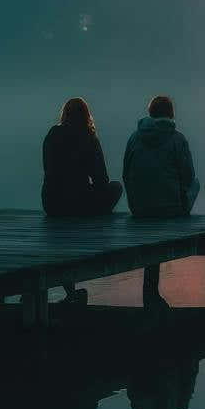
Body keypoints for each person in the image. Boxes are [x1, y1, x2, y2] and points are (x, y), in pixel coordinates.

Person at [42, 97, 123, 302]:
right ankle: (98, 216)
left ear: (64, 115)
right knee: (116, 187)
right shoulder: (89, 138)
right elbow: (102, 181)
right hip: (77, 204)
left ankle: (70, 293)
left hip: (51, 203)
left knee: (61, 249)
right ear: (87, 116)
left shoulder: (52, 134)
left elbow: (48, 169)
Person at [122, 95, 200, 218]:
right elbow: (188, 176)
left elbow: (125, 174)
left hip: (139, 209)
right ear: (171, 113)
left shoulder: (134, 138)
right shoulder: (178, 139)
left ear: (151, 112)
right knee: (196, 183)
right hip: (171, 210)